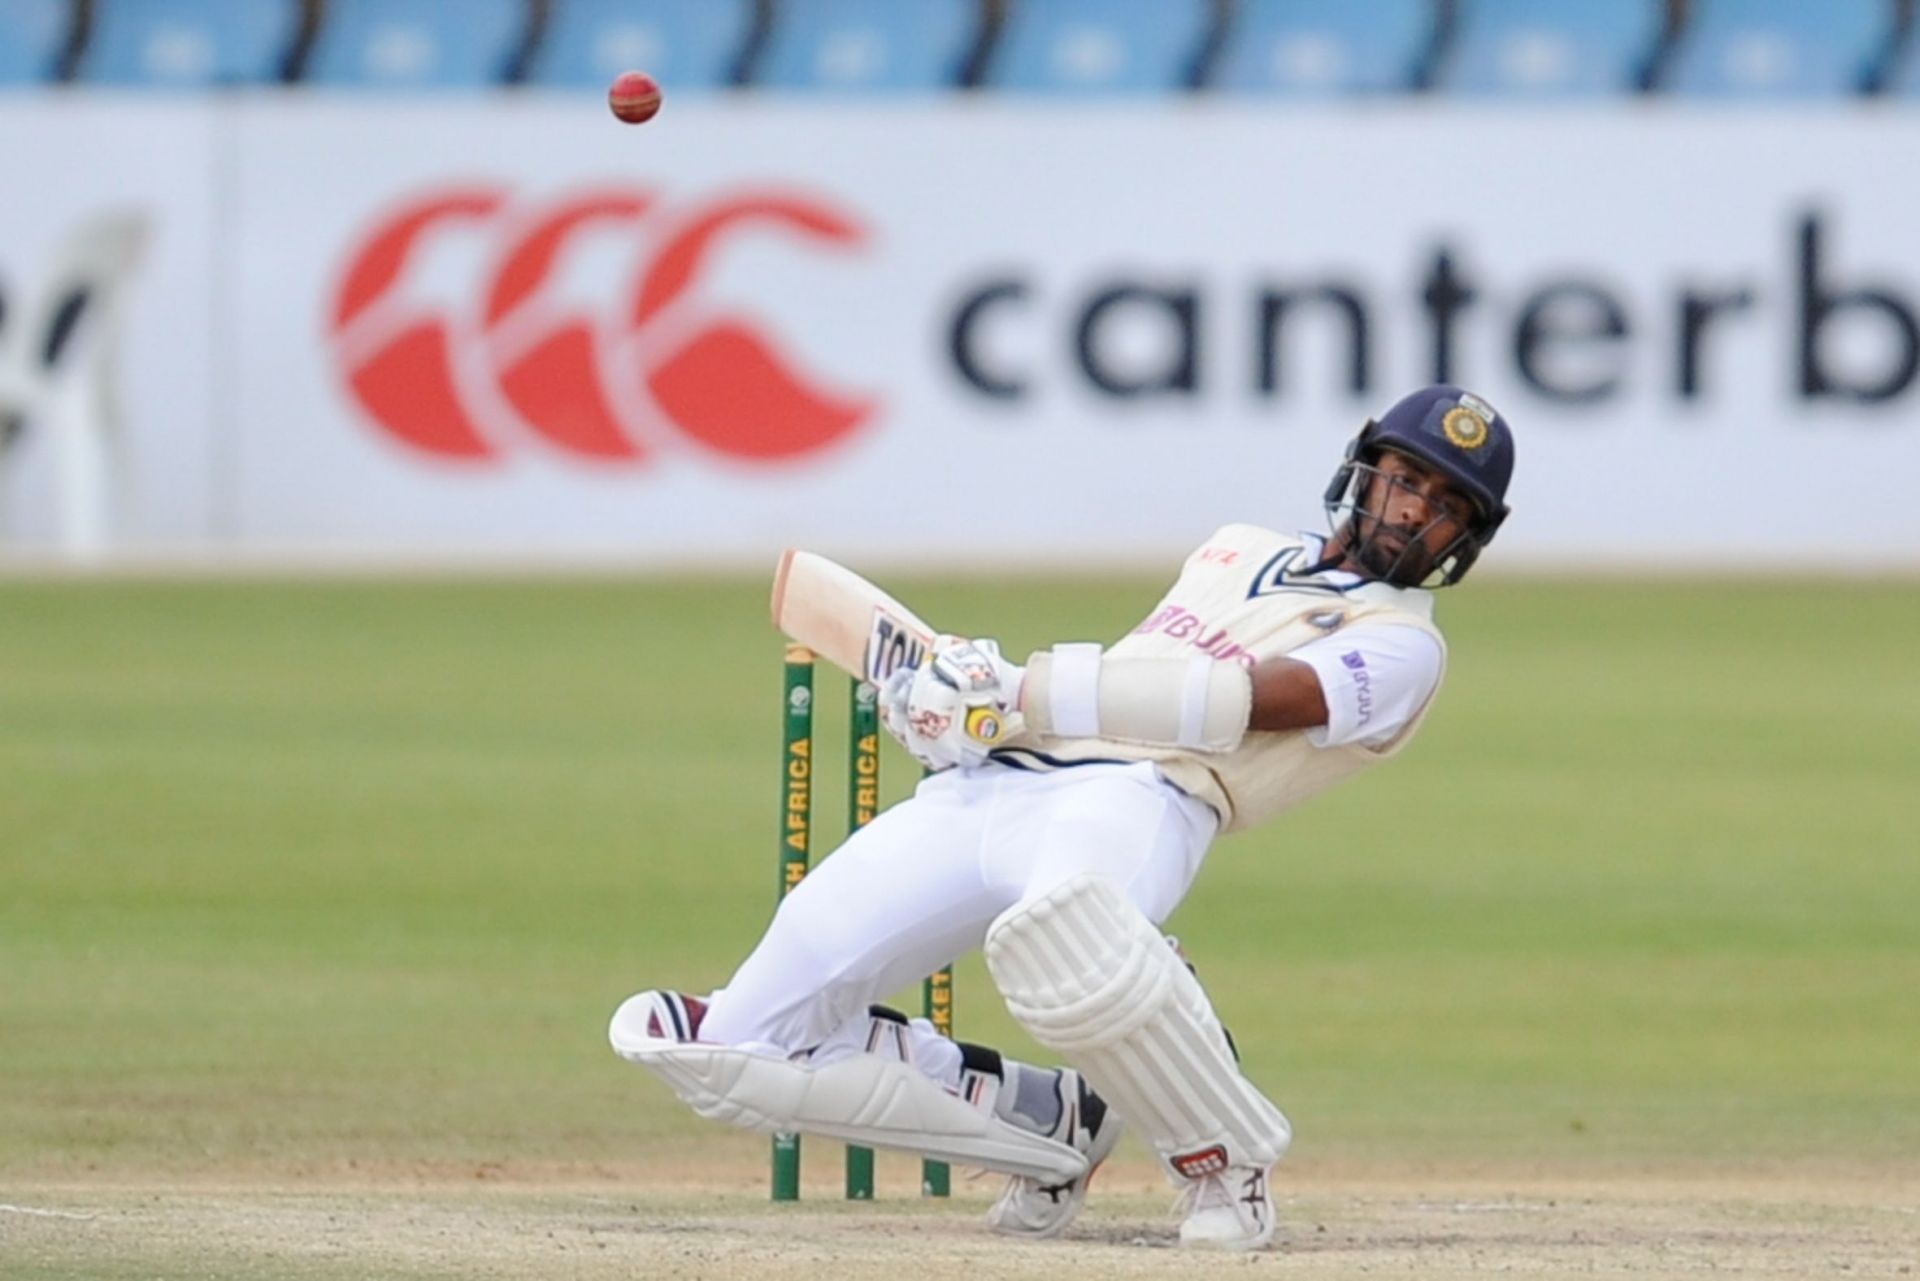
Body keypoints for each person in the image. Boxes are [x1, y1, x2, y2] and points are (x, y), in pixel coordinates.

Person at [610, 384, 1517, 1251]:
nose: (1412, 509)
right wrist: (971, 714)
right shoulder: (1237, 545)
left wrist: (1023, 684)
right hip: (1000, 782)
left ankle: (1224, 1159)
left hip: (1149, 798)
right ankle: (1048, 1123)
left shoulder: (1405, 647)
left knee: (1077, 943)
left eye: (1445, 504)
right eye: (1405, 476)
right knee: (730, 1051)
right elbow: (1142, 672)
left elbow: (1240, 701)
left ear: (1464, 539)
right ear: (1363, 468)